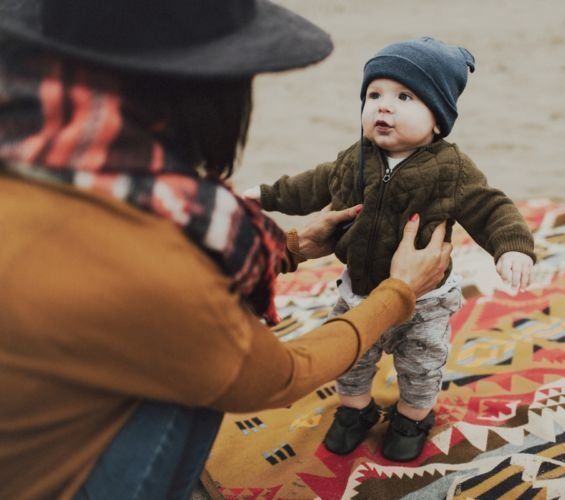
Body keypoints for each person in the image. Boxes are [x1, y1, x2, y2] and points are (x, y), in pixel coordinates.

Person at [0, 2, 452, 499]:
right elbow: (278, 376)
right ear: (205, 97)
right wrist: (399, 293)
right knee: (194, 381)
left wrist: (295, 245)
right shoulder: (163, 259)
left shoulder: (34, 154)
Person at [244, 37, 536, 462]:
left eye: (405, 97)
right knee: (351, 362)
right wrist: (265, 195)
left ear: (438, 119)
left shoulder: (451, 170)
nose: (384, 106)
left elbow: (491, 208)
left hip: (425, 301)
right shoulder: (354, 158)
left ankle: (411, 418)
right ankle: (356, 413)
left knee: (421, 367)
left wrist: (513, 248)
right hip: (358, 292)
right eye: (374, 95)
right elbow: (311, 184)